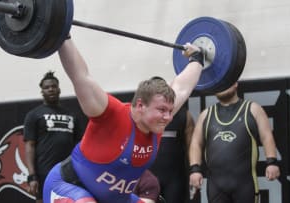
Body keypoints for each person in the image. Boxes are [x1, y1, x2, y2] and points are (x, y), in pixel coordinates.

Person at [42, 37, 204, 203]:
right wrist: (64, 36)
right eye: (162, 110)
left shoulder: (156, 120)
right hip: (69, 186)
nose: (168, 117)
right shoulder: (111, 113)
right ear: (140, 105)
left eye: (170, 111)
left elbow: (182, 87)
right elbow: (80, 76)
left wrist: (197, 59)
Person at [189, 82, 280, 203]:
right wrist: (195, 169)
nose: (223, 85)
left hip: (245, 186)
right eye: (220, 82)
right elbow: (196, 143)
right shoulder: (206, 114)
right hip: (216, 187)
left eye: (227, 80)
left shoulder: (253, 109)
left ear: (235, 83)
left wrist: (272, 161)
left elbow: (266, 136)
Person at [24, 71, 80, 203]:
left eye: (54, 86)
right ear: (42, 91)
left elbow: (79, 145)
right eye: (47, 87)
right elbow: (29, 146)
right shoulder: (34, 115)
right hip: (44, 172)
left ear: (59, 89)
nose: (51, 89)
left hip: (67, 172)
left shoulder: (72, 115)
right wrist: (32, 176)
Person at [149, 104, 195, 203]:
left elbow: (192, 149)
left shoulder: (184, 115)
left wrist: (194, 171)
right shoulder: (143, 114)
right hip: (148, 178)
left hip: (175, 180)